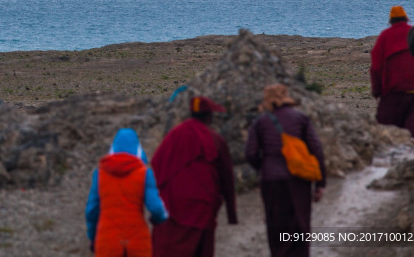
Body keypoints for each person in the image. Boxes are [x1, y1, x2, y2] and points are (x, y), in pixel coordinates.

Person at [150, 95, 237, 257]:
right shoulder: (216, 139)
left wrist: (156, 199)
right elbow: (227, 177)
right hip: (202, 206)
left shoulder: (174, 136)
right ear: (209, 116)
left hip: (172, 205)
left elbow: (157, 163)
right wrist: (232, 213)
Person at [245, 84, 326, 257]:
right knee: (300, 226)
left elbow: (250, 153)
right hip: (299, 180)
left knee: (277, 230)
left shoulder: (260, 122)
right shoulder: (301, 118)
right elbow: (316, 149)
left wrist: (264, 167)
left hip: (271, 182)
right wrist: (321, 183)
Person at [85, 128, 167, 257]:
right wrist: (159, 219)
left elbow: (91, 210)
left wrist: (92, 236)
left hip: (107, 242)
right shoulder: (144, 174)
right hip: (137, 242)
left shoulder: (100, 174)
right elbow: (156, 208)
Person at [370, 5, 414, 141]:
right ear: (406, 19)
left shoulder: (385, 36)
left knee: (385, 125)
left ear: (391, 21)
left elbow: (376, 67)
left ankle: (389, 156)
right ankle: (413, 153)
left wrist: (377, 90)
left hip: (394, 89)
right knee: (413, 124)